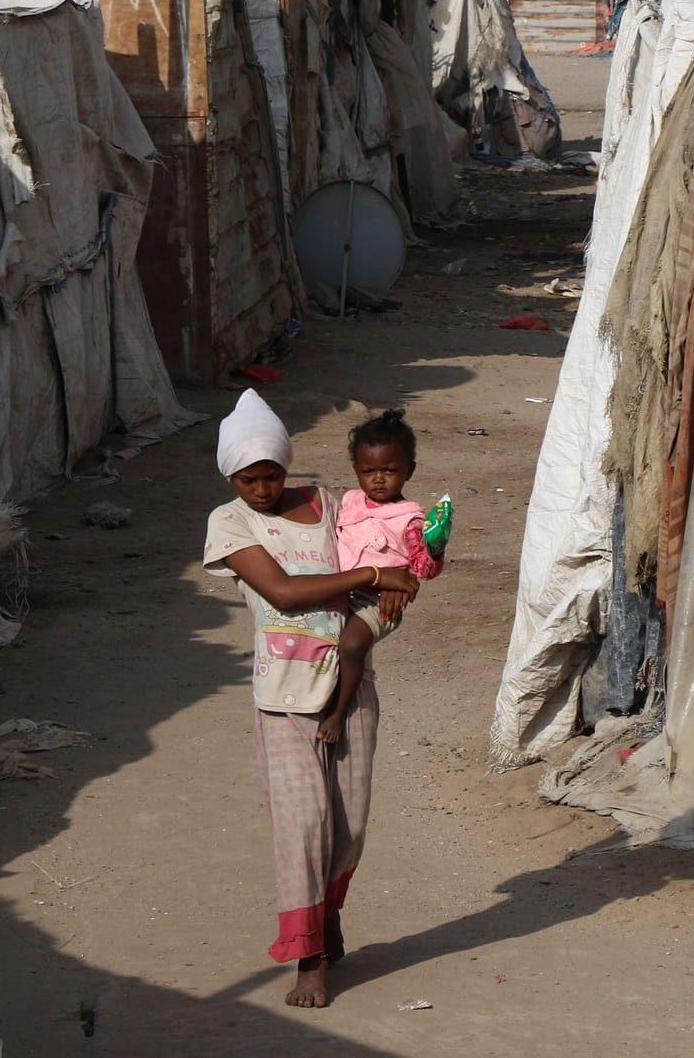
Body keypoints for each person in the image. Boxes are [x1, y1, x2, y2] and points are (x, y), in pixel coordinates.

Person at [201, 390, 420, 1009]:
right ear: (231, 477)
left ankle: (327, 917)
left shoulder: (333, 505)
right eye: (249, 479)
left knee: (348, 829)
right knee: (302, 828)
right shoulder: (230, 523)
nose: (263, 489)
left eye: (271, 476)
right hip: (283, 696)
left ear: (287, 466)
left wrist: (399, 581)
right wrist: (374, 579)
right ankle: (309, 957)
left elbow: (391, 549)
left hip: (350, 688)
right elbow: (285, 592)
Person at [326, 410, 445, 749]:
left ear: (409, 470)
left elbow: (423, 568)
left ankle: (339, 711)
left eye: (390, 470)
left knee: (352, 646)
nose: (379, 479)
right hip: (342, 588)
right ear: (356, 471)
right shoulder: (349, 502)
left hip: (377, 600)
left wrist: (434, 547)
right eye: (369, 471)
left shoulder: (409, 519)